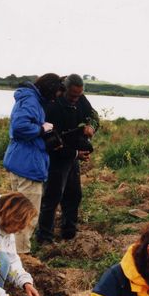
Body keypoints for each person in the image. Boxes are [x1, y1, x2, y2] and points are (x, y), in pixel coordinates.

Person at [3, 73, 63, 253]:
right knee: (26, 216)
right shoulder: (31, 100)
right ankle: (22, 258)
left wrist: (41, 127)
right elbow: (19, 126)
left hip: (20, 161)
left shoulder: (28, 98)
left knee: (14, 213)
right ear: (50, 89)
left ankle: (9, 254)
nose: (54, 99)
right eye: (54, 95)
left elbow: (22, 124)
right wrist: (41, 128)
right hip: (28, 166)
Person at [37, 74, 99, 244]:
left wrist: (91, 127)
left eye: (78, 95)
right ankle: (45, 239)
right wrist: (75, 154)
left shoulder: (80, 99)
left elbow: (94, 116)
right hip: (56, 157)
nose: (75, 99)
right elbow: (50, 142)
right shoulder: (52, 105)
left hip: (73, 155)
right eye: (72, 95)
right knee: (52, 197)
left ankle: (69, 234)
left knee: (74, 195)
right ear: (63, 89)